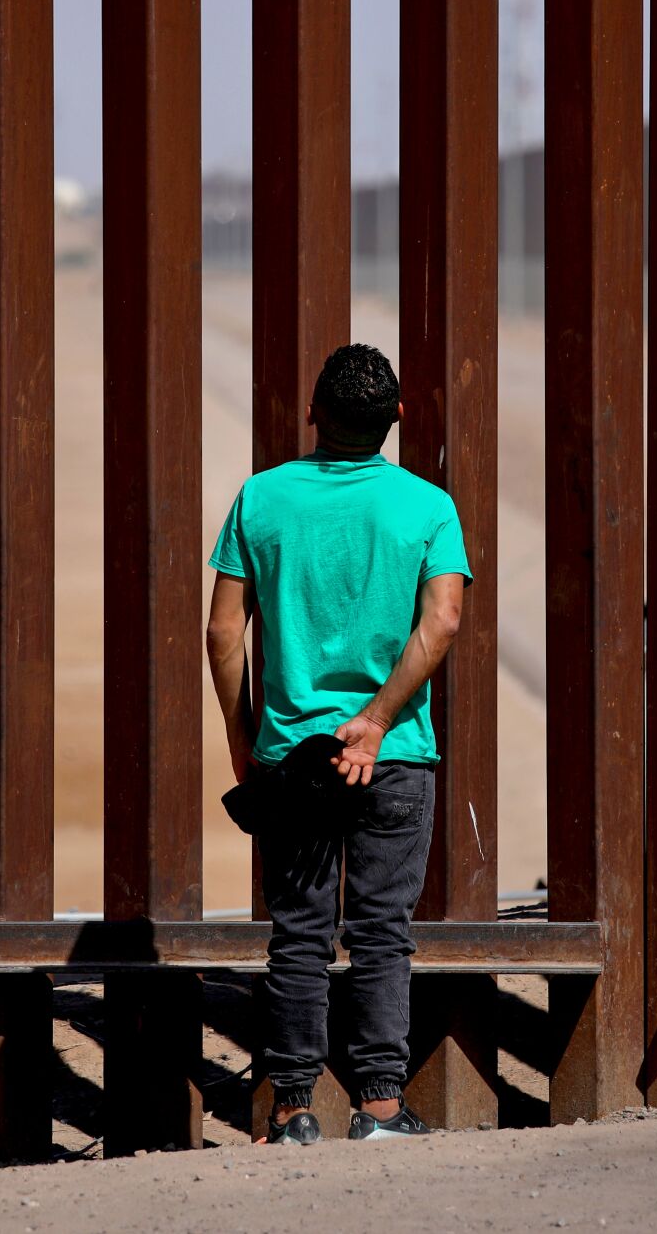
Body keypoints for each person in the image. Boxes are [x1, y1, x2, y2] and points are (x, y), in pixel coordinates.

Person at [205, 342, 471, 1146]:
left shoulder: (260, 499)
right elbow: (444, 620)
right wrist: (382, 717)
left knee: (300, 933)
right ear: (397, 418)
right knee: (383, 930)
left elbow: (222, 632)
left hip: (293, 756)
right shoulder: (429, 507)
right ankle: (381, 1108)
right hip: (395, 756)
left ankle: (292, 1110)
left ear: (313, 413)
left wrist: (244, 739)